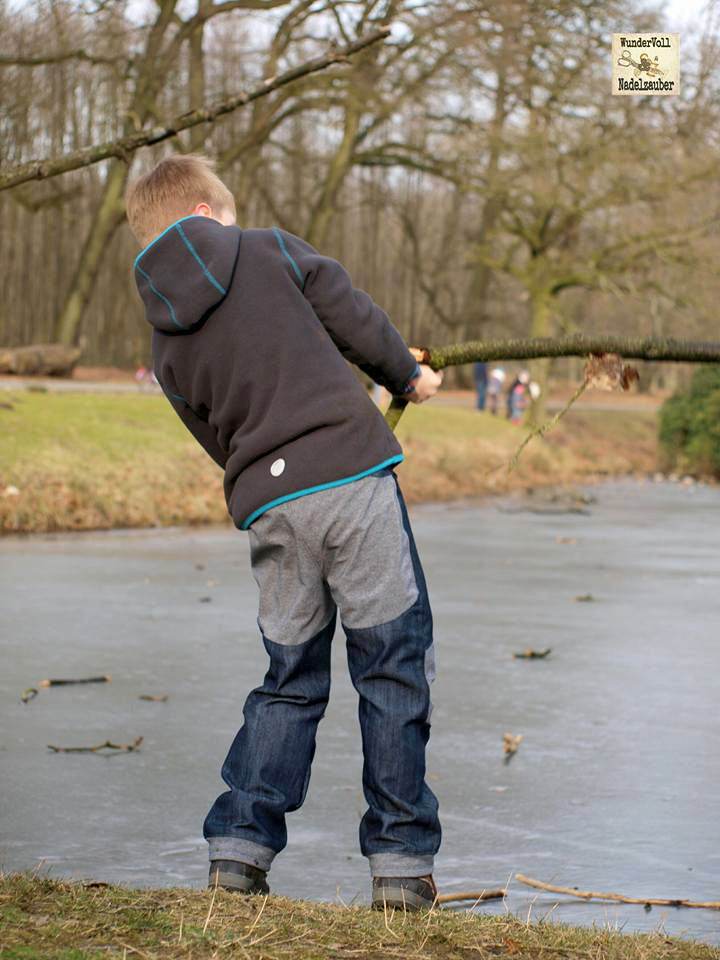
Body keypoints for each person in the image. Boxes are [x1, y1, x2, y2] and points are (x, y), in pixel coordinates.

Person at [125, 155, 444, 912]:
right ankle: (399, 864)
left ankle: (238, 848)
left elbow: (217, 436)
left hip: (271, 506)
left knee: (289, 679)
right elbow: (351, 314)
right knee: (391, 665)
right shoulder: (265, 248)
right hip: (350, 481)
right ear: (209, 211)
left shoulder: (163, 342)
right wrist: (407, 376)